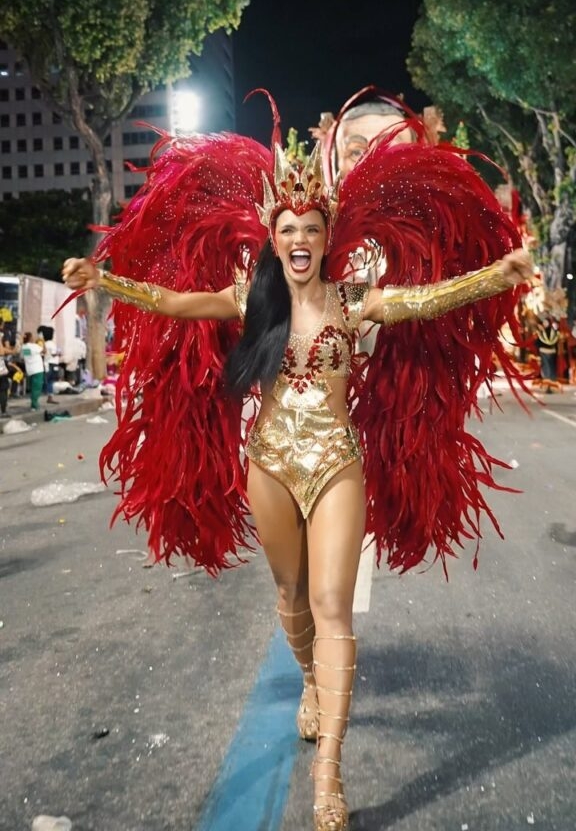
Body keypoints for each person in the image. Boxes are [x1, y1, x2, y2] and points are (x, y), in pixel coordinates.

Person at [61, 103, 533, 831]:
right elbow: (170, 301)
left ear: (327, 237)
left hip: (338, 464)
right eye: (289, 230)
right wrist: (106, 280)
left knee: (332, 607)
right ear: (273, 239)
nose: (301, 240)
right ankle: (310, 678)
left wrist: (499, 273)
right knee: (290, 597)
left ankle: (328, 775)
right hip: (271, 465)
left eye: (312, 230)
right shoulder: (251, 303)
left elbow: (428, 298)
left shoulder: (356, 302)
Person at [20, 331, 45, 410]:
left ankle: (33, 404)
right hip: (37, 369)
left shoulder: (24, 347)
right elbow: (44, 351)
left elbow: (23, 357)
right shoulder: (34, 346)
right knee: (37, 387)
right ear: (30, 338)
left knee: (33, 387)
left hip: (30, 369)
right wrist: (42, 341)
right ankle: (34, 405)